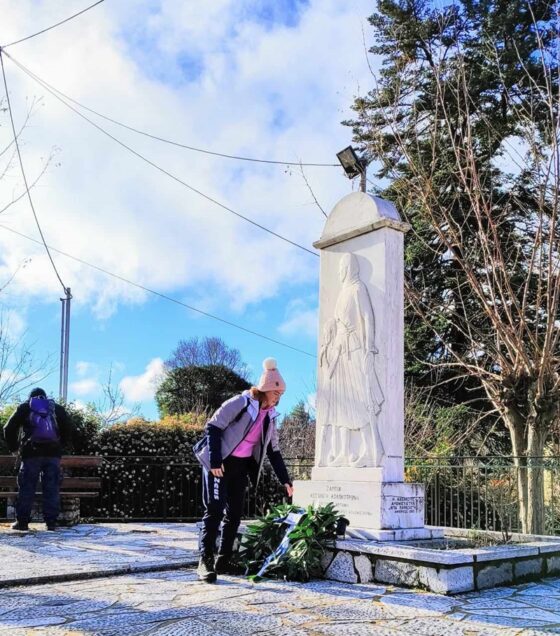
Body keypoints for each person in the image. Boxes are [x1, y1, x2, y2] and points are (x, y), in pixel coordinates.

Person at [194, 357, 293, 583]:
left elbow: (273, 451)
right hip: (220, 463)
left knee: (235, 515)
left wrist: (286, 481)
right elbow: (213, 426)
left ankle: (224, 560)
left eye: (281, 394)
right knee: (215, 510)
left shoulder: (270, 417)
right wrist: (216, 461)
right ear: (266, 389)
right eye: (276, 392)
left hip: (240, 467)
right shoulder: (242, 402)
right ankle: (205, 560)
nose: (279, 397)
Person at [3, 387, 71, 531]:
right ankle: (51, 522)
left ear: (30, 398)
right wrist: (59, 446)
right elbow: (69, 428)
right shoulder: (56, 408)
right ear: (46, 397)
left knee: (27, 487)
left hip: (31, 454)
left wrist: (14, 448)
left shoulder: (25, 407)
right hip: (52, 455)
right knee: (52, 488)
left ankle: (22, 522)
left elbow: (8, 428)